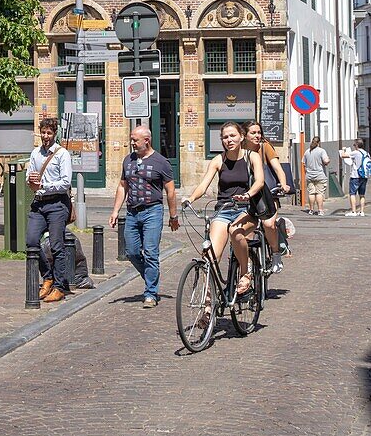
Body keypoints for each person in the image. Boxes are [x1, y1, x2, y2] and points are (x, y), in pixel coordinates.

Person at [184, 121, 264, 297]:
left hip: (247, 209)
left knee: (236, 232)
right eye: (225, 137)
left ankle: (245, 272)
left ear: (241, 137)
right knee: (210, 257)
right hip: (224, 210)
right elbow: (203, 185)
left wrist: (248, 194)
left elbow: (259, 181)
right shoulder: (218, 160)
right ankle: (206, 304)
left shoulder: (252, 156)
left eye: (232, 136)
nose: (229, 140)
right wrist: (190, 198)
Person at [109, 126, 179, 307]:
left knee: (150, 252)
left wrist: (173, 216)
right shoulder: (128, 160)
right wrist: (115, 210)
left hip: (152, 211)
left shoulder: (161, 162)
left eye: (135, 140)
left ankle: (150, 293)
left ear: (146, 140)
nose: (132, 143)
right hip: (132, 212)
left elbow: (170, 191)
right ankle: (150, 276)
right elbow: (122, 186)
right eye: (132, 139)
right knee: (131, 252)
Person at [25, 117, 73, 303]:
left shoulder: (62, 154)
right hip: (39, 203)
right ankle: (47, 277)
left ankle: (60, 287)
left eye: (49, 133)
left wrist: (43, 185)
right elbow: (29, 176)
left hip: (57, 204)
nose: (45, 136)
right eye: (43, 132)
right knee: (31, 241)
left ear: (55, 134)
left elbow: (65, 182)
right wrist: (30, 182)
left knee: (56, 246)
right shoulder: (35, 153)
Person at [242, 122, 291, 271]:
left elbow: (278, 168)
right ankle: (247, 264)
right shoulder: (240, 150)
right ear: (245, 135)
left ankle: (275, 254)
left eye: (259, 132)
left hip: (267, 194)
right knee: (244, 232)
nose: (257, 136)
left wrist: (283, 184)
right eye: (253, 133)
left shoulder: (265, 147)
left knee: (268, 224)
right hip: (247, 195)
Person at [302, 135, 330, 216]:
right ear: (319, 142)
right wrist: (328, 161)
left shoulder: (307, 152)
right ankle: (320, 210)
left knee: (311, 193)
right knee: (319, 193)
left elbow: (304, 163)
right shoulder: (321, 151)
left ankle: (311, 210)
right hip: (320, 175)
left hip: (309, 175)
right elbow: (326, 161)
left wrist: (307, 172)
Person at [345, 139, 369, 216]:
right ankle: (362, 211)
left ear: (357, 145)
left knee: (352, 193)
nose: (354, 146)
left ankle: (353, 211)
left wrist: (343, 150)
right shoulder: (366, 153)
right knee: (362, 194)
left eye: (354, 145)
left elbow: (343, 156)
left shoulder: (356, 152)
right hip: (364, 176)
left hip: (355, 176)